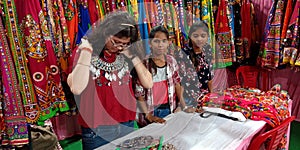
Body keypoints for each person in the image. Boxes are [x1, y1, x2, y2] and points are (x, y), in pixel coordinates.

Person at [67, 11, 153, 149]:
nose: (119, 47)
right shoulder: (85, 52)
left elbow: (148, 83)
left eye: (125, 44)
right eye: (116, 42)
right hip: (97, 129)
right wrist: (86, 52)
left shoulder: (126, 54)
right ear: (105, 33)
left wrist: (133, 56)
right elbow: (76, 88)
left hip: (127, 123)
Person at [135, 26, 196, 127]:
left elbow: (177, 85)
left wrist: (183, 106)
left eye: (164, 41)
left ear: (169, 43)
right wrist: (148, 115)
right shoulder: (144, 64)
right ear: (150, 44)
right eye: (156, 41)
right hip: (151, 112)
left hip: (169, 109)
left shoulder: (172, 61)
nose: (160, 45)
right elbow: (139, 93)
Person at [174, 21, 214, 107]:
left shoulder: (208, 50)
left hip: (205, 98)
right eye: (196, 36)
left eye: (203, 36)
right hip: (188, 100)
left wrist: (212, 97)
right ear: (190, 36)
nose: (199, 39)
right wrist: (183, 106)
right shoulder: (183, 53)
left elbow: (210, 76)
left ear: (207, 37)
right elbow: (180, 82)